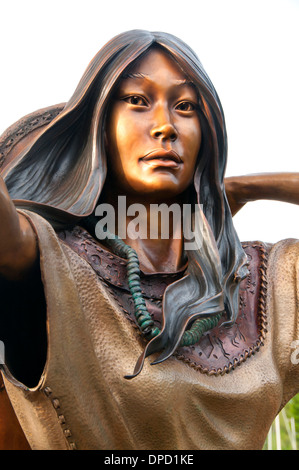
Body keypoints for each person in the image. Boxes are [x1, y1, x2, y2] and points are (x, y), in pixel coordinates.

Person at [0, 30, 298, 450]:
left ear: (208, 133)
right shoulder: (52, 260)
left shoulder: (271, 279)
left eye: (186, 106)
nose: (165, 126)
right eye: (138, 101)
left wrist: (245, 187)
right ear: (98, 127)